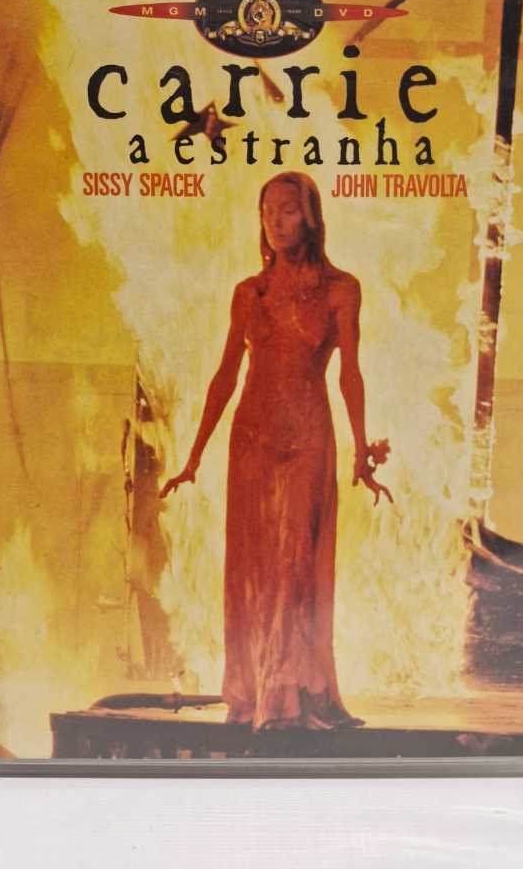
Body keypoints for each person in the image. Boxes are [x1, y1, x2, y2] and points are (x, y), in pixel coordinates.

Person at [160, 171, 391, 731]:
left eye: (288, 210)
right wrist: (193, 458)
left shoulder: (341, 289)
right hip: (252, 442)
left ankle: (295, 695)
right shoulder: (250, 293)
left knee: (296, 565)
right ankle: (256, 692)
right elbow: (225, 376)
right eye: (267, 212)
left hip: (308, 438)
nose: (276, 222)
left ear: (310, 217)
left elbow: (350, 373)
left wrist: (361, 449)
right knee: (254, 568)